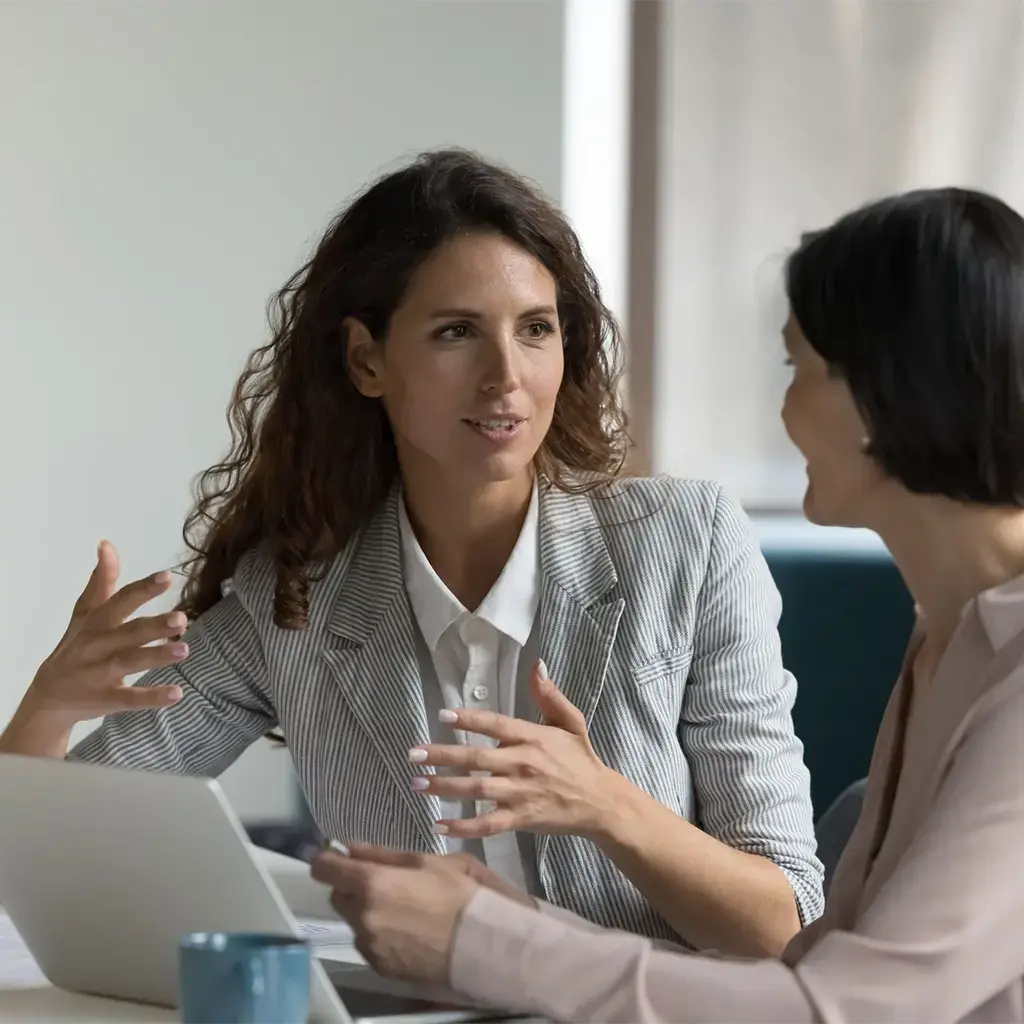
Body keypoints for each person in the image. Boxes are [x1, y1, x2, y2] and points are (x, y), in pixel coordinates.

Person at [0, 148, 821, 957]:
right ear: (366, 361)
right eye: (457, 332)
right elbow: (53, 853)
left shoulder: (688, 542)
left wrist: (602, 802)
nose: (507, 375)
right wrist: (48, 711)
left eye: (536, 330)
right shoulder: (293, 600)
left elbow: (783, 927)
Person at [309, 186, 1024, 1024]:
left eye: (798, 368)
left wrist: (482, 942)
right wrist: (509, 920)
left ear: (885, 391)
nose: (783, 408)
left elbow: (851, 1008)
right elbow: (816, 969)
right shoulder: (947, 637)